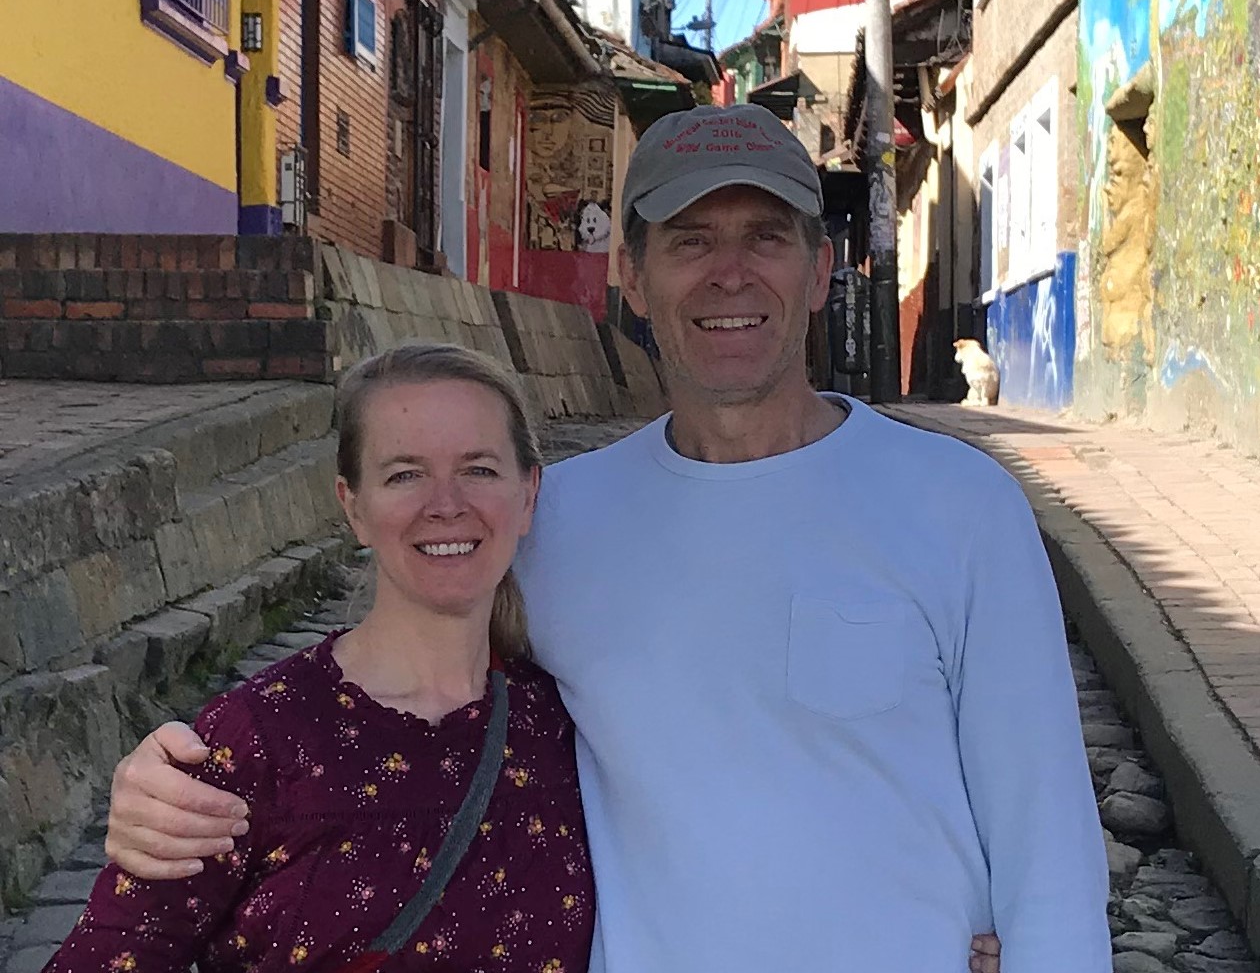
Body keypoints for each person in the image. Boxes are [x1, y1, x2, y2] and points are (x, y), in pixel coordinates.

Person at [103, 104, 1108, 970]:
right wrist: (185, 768)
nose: (728, 273)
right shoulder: (556, 520)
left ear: (818, 271)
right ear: (630, 275)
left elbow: (1047, 838)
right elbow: (406, 686)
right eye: (688, 239)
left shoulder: (960, 504)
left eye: (764, 235)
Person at [44, 345, 594, 972]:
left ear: (528, 495)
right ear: (353, 505)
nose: (445, 503)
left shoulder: (567, 728)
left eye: (478, 469)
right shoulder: (257, 741)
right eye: (404, 474)